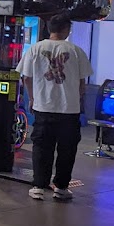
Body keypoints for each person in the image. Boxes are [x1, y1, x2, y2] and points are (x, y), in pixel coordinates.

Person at [17, 13, 93, 201]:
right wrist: (77, 98)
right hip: (70, 110)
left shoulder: (35, 49)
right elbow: (82, 83)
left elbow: (26, 78)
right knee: (67, 150)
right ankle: (61, 187)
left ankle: (38, 187)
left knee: (42, 147)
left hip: (43, 107)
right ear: (67, 29)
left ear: (49, 28)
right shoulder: (76, 51)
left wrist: (32, 98)